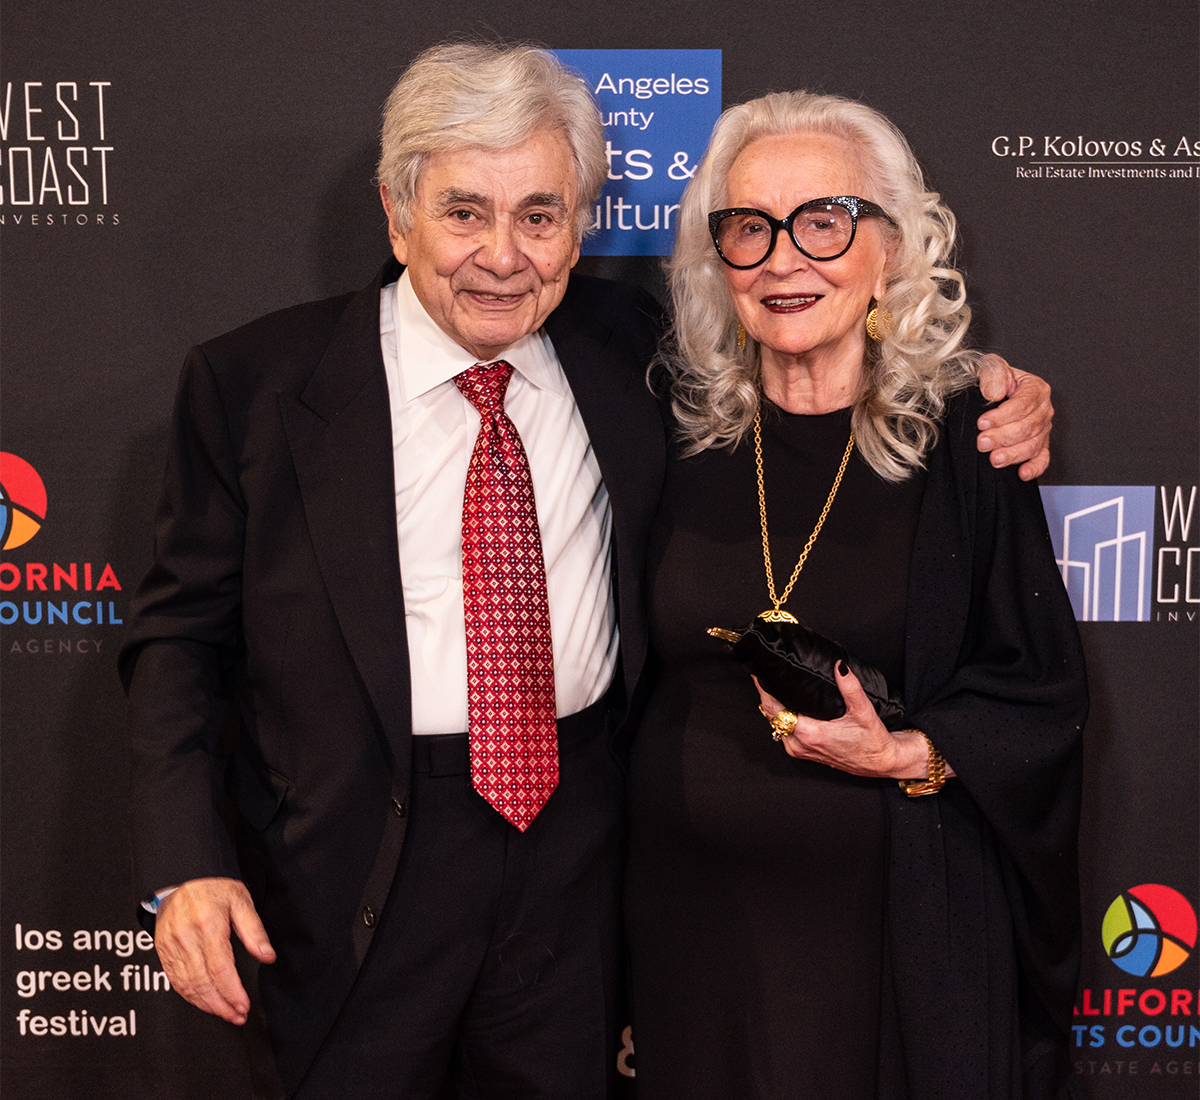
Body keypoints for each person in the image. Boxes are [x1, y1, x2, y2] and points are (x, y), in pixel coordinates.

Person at [119, 44, 1056, 1100]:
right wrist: (185, 857)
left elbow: (832, 344)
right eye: (465, 212)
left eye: (540, 215)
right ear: (397, 214)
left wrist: (991, 384)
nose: (503, 257)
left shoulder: (637, 351)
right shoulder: (254, 386)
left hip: (579, 863)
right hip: (353, 868)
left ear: (582, 227)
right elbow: (179, 642)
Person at [624, 91, 1086, 1100]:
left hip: (890, 936)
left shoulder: (965, 437)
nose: (784, 259)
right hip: (685, 935)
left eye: (823, 221)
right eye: (748, 228)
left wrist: (910, 753)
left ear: (895, 246)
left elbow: (1040, 691)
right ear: (717, 259)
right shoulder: (662, 428)